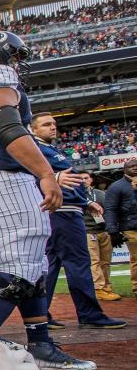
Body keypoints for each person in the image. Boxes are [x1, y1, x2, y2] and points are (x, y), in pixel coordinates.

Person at [0, 30, 94, 370]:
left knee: (34, 265)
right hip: (3, 174)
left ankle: (40, 342)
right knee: (21, 266)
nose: (17, 64)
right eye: (13, 56)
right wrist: (46, 174)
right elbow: (7, 126)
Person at [30, 113, 126, 329]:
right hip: (62, 212)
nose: (53, 127)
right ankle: (89, 313)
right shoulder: (34, 149)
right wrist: (53, 179)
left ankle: (40, 313)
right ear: (33, 130)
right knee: (79, 263)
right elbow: (24, 173)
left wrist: (85, 202)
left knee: (51, 264)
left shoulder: (49, 149)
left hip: (63, 210)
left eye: (54, 124)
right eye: (46, 125)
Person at [82, 173, 121, 301]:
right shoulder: (77, 195)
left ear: (91, 180)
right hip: (88, 231)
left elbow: (110, 210)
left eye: (86, 178)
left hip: (104, 230)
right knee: (94, 261)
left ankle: (107, 287)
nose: (83, 180)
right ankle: (98, 288)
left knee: (105, 261)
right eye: (81, 178)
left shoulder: (100, 194)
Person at [104, 159, 137, 298]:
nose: (135, 168)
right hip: (131, 227)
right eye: (132, 166)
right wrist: (113, 231)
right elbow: (110, 209)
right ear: (125, 169)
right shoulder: (116, 186)